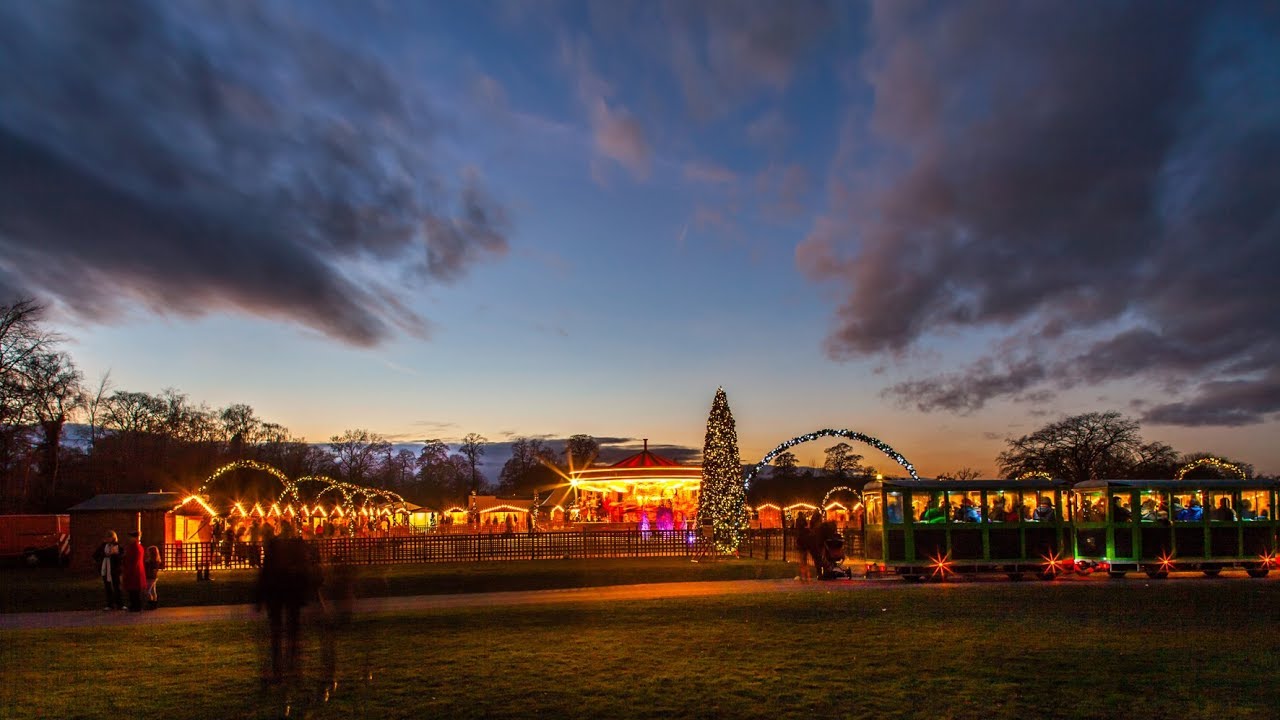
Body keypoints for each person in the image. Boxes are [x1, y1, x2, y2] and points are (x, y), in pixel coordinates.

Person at [257, 523, 319, 683]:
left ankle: (281, 667)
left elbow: (266, 571)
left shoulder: (275, 546)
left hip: (278, 592)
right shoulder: (296, 545)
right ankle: (291, 666)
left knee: (279, 631)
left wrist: (260, 595)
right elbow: (305, 568)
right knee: (291, 630)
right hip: (290, 592)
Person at [93, 531, 124, 610]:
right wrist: (103, 557)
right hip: (106, 569)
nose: (108, 539)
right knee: (108, 587)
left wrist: (114, 555)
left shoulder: (117, 545)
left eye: (110, 537)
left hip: (115, 569)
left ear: (113, 538)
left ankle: (119, 604)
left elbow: (121, 557)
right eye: (107, 537)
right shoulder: (103, 546)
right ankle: (110, 604)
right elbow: (95, 555)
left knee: (117, 586)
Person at [121, 531, 147, 612]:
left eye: (131, 537)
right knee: (133, 590)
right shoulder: (136, 547)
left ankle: (136, 606)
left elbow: (133, 560)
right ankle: (134, 605)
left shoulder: (135, 547)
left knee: (134, 591)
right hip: (135, 571)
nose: (129, 539)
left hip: (134, 571)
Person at [144, 545, 165, 610]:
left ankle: (151, 603)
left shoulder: (150, 561)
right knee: (153, 590)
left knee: (147, 591)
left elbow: (148, 569)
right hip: (154, 577)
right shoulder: (156, 561)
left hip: (150, 577)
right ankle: (154, 603)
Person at [793, 513, 812, 582]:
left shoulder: (799, 533)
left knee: (802, 561)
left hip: (801, 546)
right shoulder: (806, 532)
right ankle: (806, 576)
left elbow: (798, 541)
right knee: (805, 561)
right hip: (805, 546)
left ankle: (802, 576)